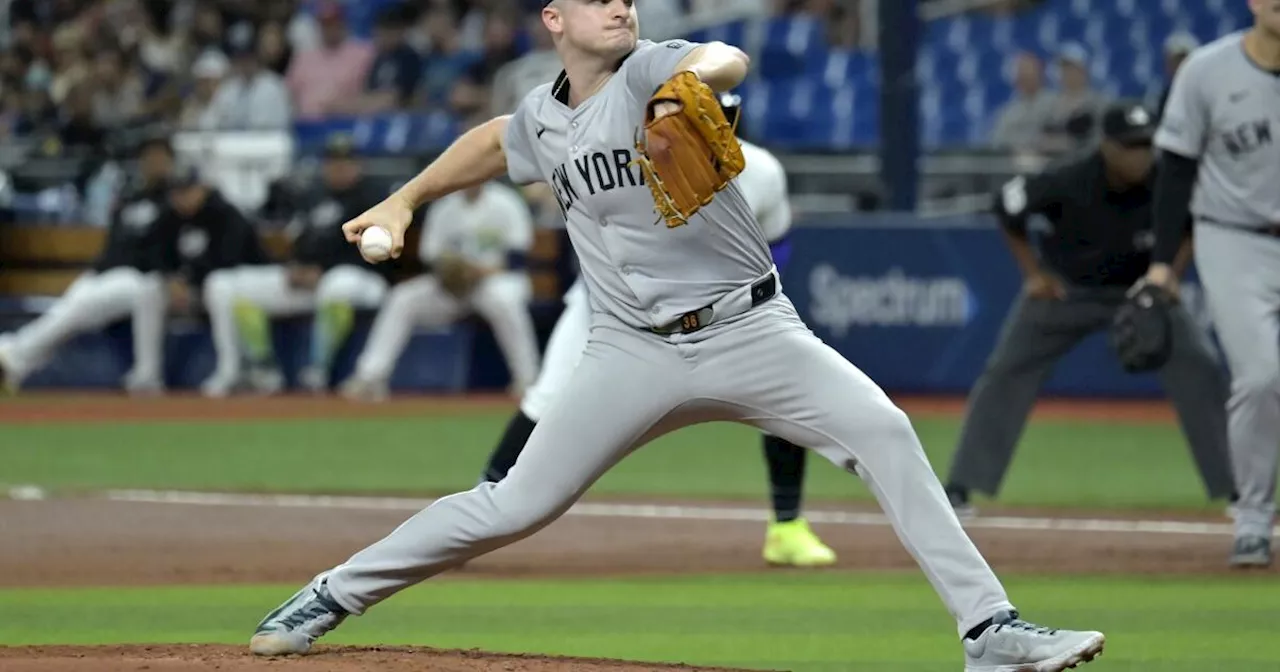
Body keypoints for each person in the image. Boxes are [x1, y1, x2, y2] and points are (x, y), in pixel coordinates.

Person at [248, 2, 1106, 670]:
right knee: (514, 504)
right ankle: (327, 595)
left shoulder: (649, 69)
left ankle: (989, 631)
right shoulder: (544, 120)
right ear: (555, 21)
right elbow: (494, 141)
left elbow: (723, 59)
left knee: (885, 431)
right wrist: (406, 200)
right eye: (597, 1)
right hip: (631, 350)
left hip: (751, 327)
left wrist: (682, 84)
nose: (619, 9)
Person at [474, 92, 836, 567]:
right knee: (547, 401)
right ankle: (475, 517)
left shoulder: (762, 172)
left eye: (721, 117)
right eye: (701, 116)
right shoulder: (634, 162)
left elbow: (777, 247)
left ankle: (787, 526)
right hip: (610, 306)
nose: (712, 126)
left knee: (788, 390)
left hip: (715, 311)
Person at [944, 101, 1237, 517]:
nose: (1140, 154)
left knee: (1202, 367)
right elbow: (1007, 207)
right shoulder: (1069, 178)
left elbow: (1193, 224)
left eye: (1146, 144)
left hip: (1142, 294)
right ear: (1107, 147)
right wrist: (1034, 274)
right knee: (1006, 371)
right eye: (1130, 146)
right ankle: (961, 486)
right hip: (1070, 293)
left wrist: (1170, 274)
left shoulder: (1165, 180)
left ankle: (1239, 491)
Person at [1145, 0, 1280, 568]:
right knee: (1261, 376)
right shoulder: (1207, 70)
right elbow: (1176, 169)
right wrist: (1162, 263)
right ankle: (1253, 516)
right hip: (1234, 238)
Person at [199, 135, 392, 397]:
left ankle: (317, 370)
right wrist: (295, 266)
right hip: (313, 280)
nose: (338, 167)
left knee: (337, 284)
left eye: (345, 161)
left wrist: (322, 269)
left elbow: (378, 251)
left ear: (358, 164)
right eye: (333, 161)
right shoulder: (313, 196)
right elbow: (302, 241)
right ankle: (255, 370)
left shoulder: (375, 197)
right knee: (224, 286)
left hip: (365, 279)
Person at [338, 174, 541, 400]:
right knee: (403, 298)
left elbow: (517, 258)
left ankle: (527, 379)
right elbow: (431, 257)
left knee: (505, 302)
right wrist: (453, 271)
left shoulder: (506, 203)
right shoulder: (445, 207)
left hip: (496, 280)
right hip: (452, 288)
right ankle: (370, 377)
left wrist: (478, 271)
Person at [0, 136, 173, 394]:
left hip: (142, 277)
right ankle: (14, 362)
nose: (154, 163)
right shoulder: (131, 197)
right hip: (106, 274)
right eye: (149, 157)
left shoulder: (174, 198)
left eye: (160, 158)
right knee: (67, 311)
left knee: (77, 308)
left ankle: (12, 354)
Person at [153, 166, 268, 384]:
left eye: (187, 190)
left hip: (247, 279)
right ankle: (148, 374)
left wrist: (189, 282)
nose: (182, 198)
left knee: (219, 285)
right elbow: (155, 254)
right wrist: (172, 280)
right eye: (177, 192)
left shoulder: (224, 213)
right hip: (198, 287)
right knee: (150, 289)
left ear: (202, 188)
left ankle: (230, 369)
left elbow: (227, 259)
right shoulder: (169, 218)